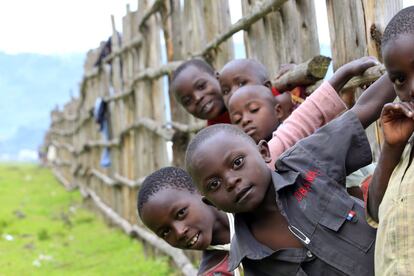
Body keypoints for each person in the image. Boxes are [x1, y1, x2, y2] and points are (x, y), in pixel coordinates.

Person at [185, 73, 395, 275]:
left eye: (238, 163)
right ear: (212, 203)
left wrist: (400, 70)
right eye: (214, 184)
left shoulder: (306, 163)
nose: (231, 181)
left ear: (264, 152)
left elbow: (364, 109)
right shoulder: (252, 263)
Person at [227, 57, 384, 198]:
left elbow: (307, 115)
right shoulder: (257, 165)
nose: (246, 120)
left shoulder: (279, 143)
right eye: (237, 120)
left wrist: (344, 73)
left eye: (254, 110)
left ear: (278, 110)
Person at [365, 6, 414, 275]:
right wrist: (391, 148)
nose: (411, 88)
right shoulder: (404, 145)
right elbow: (375, 211)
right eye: (399, 79)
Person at [137, 167, 238, 276]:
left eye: (181, 213)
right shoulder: (215, 273)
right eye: (165, 232)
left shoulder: (254, 212)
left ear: (200, 191)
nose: (179, 232)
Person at [171, 59, 231, 125]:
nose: (197, 98)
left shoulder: (243, 103)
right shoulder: (211, 134)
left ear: (218, 77)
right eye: (188, 100)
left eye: (201, 86)